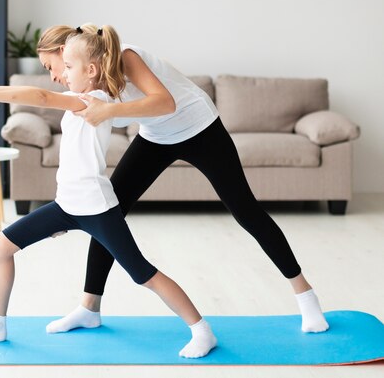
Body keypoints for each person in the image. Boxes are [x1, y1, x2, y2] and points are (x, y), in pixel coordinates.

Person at [36, 24, 329, 335]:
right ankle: (88, 308)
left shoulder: (124, 57)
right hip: (157, 136)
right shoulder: (84, 80)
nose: (54, 76)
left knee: (245, 210)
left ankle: (306, 297)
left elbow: (165, 102)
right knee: (108, 210)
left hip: (199, 128)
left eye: (50, 66)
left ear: (63, 52)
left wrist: (109, 112)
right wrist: (70, 210)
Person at [0, 25, 218, 359]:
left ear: (90, 71)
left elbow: (42, 97)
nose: (61, 73)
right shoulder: (82, 99)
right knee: (1, 246)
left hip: (96, 209)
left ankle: (201, 330)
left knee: (143, 275)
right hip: (66, 207)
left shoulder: (94, 101)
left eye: (69, 67)